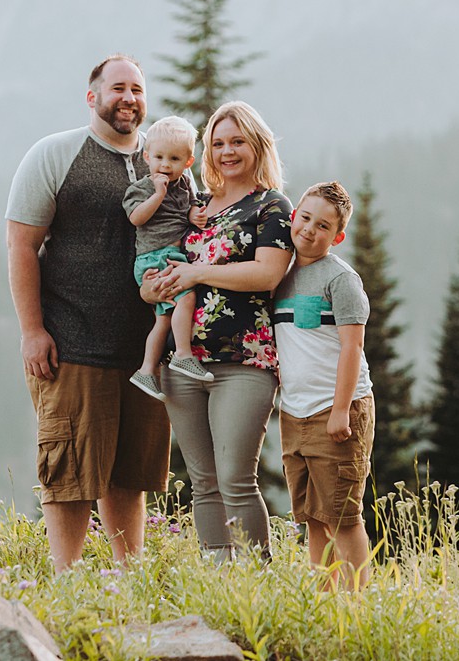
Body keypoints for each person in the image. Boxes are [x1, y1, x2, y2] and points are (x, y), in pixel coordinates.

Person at [5, 54, 170, 572]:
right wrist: (33, 331)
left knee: (130, 474)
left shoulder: (164, 159)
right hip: (72, 343)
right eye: (118, 87)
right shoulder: (55, 154)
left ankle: (130, 577)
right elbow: (20, 245)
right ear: (92, 96)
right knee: (71, 471)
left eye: (138, 90)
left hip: (144, 352)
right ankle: (65, 582)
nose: (129, 98)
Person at [145, 100, 293, 560]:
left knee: (234, 477)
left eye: (237, 142)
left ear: (257, 146)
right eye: (218, 143)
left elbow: (267, 274)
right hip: (183, 361)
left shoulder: (272, 205)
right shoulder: (197, 206)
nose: (227, 151)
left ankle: (255, 581)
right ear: (207, 152)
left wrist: (197, 273)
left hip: (245, 360)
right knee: (203, 481)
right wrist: (156, 287)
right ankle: (218, 580)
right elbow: (164, 266)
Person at [273, 181, 374, 589]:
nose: (310, 229)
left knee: (343, 516)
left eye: (324, 225)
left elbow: (352, 348)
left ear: (338, 236)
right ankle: (324, 599)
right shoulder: (278, 274)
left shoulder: (341, 280)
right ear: (293, 216)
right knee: (314, 516)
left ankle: (355, 605)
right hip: (294, 413)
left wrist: (339, 410)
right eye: (305, 217)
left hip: (336, 412)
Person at [122, 115, 212, 401]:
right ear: (147, 156)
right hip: (154, 257)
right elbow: (137, 218)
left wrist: (193, 215)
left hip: (170, 255)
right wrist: (157, 195)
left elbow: (184, 214)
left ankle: (147, 371)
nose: (164, 165)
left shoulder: (185, 185)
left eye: (174, 159)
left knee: (163, 320)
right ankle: (183, 353)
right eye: (158, 157)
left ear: (188, 162)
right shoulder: (142, 188)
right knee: (186, 298)